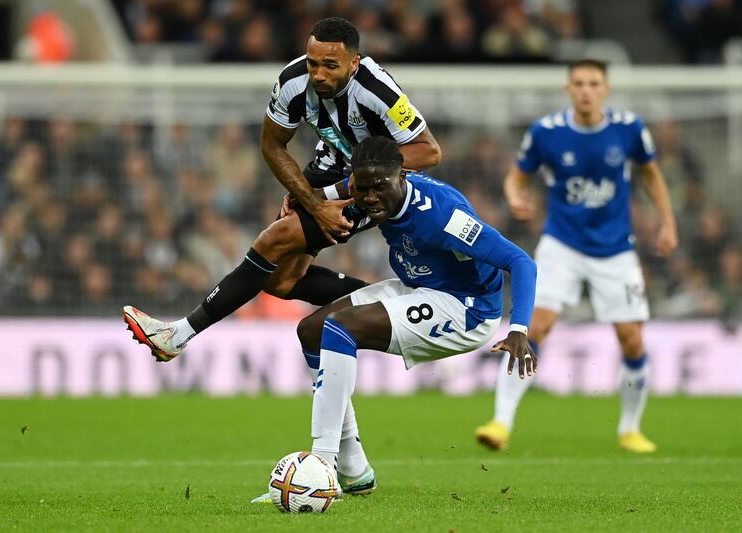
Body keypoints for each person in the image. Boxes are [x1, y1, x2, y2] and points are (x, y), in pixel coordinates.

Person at [123, 17, 440, 360]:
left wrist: (337, 190)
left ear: (354, 63)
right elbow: (272, 145)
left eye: (330, 66)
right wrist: (312, 198)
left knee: (273, 241)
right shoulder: (293, 82)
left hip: (374, 187)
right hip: (329, 163)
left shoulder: (377, 91)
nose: (318, 74)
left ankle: (178, 334)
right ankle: (399, 305)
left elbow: (428, 151)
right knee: (279, 280)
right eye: (313, 63)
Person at [267, 136, 537, 496]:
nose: (370, 198)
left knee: (341, 328)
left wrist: (518, 327)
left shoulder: (443, 216)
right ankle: (354, 470)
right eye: (362, 190)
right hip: (419, 286)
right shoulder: (364, 184)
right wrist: (307, 198)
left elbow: (520, 261)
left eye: (380, 187)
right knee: (312, 330)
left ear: (403, 175)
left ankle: (321, 467)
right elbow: (341, 189)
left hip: (466, 307)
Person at [475, 59, 678, 454]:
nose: (586, 90)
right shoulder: (546, 133)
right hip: (562, 245)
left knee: (632, 340)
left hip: (616, 249)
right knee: (536, 328)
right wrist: (515, 195)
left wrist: (667, 223)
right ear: (568, 89)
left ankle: (630, 429)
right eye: (579, 83)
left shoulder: (629, 129)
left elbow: (651, 175)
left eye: (594, 83)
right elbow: (518, 174)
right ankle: (501, 422)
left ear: (606, 89)